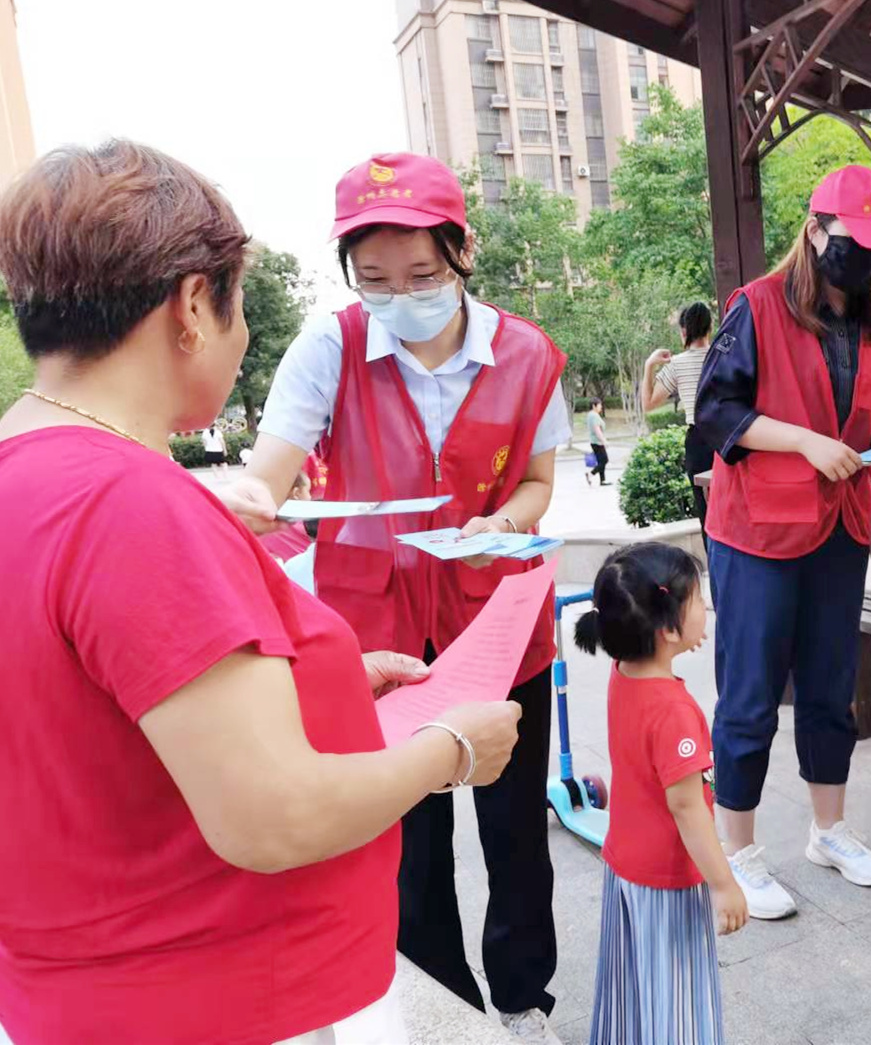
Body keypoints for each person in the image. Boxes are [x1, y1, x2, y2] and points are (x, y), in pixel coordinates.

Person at [0, 140, 521, 1045]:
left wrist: (327, 685)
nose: (242, 340)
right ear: (193, 307)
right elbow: (273, 816)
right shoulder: (133, 505)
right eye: (237, 307)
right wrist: (451, 749)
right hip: (220, 999)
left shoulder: (29, 472)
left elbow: (95, 722)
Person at [222, 152, 570, 1045]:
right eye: (373, 278)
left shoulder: (526, 353)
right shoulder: (330, 345)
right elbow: (272, 469)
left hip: (498, 630)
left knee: (515, 830)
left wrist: (503, 523)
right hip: (374, 642)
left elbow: (538, 480)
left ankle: (522, 998)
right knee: (407, 841)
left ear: (462, 252)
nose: (399, 295)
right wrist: (252, 498)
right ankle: (444, 1005)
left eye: (421, 273)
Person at [694, 165, 871, 920]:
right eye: (859, 241)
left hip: (841, 523)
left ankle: (829, 830)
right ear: (816, 231)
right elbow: (715, 409)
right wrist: (805, 441)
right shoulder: (755, 306)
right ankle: (738, 851)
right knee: (751, 693)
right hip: (759, 528)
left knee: (828, 685)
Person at [574, 543, 748, 1045]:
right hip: (668, 878)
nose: (705, 606)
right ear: (667, 629)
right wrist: (723, 883)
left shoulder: (623, 671)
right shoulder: (674, 712)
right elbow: (688, 807)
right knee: (676, 1000)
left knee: (631, 989)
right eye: (697, 599)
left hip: (625, 862)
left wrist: (676, 636)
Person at [642, 303, 718, 534]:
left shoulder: (677, 363)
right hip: (729, 435)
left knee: (706, 512)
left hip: (699, 442)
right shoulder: (723, 355)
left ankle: (713, 556)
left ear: (684, 331)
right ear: (710, 328)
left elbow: (648, 404)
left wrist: (649, 365)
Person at [587, 397, 610, 486]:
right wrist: (604, 441)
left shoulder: (590, 415)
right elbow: (597, 430)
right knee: (604, 460)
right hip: (597, 442)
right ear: (594, 406)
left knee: (601, 461)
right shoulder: (594, 416)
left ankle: (603, 480)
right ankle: (590, 474)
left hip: (594, 441)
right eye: (599, 405)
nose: (601, 407)